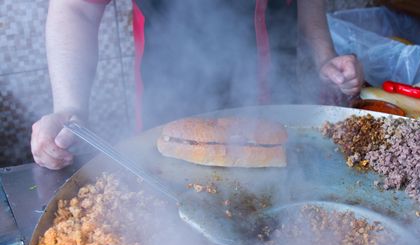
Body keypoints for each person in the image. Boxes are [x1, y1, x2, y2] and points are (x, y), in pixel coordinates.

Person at [31, 0, 364, 170]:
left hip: (279, 120)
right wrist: (69, 107)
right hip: (173, 130)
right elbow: (77, 8)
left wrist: (325, 57)